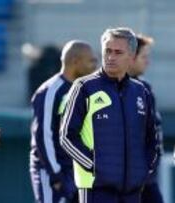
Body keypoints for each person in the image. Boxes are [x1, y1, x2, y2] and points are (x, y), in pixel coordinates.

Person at [59, 27, 160, 203]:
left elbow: (152, 138)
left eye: (118, 52)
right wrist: (94, 165)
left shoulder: (141, 92)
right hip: (95, 189)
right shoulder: (84, 87)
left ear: (131, 55)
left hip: (132, 191)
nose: (111, 57)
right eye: (107, 51)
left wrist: (145, 168)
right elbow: (66, 136)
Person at [30, 40, 97, 203]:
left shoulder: (85, 90)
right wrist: (56, 176)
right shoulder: (51, 91)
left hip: (78, 172)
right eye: (91, 61)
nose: (96, 66)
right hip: (54, 172)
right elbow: (43, 136)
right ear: (75, 61)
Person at [128, 34, 164, 203]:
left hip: (148, 180)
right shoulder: (109, 90)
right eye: (144, 57)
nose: (147, 62)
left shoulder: (145, 88)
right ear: (131, 58)